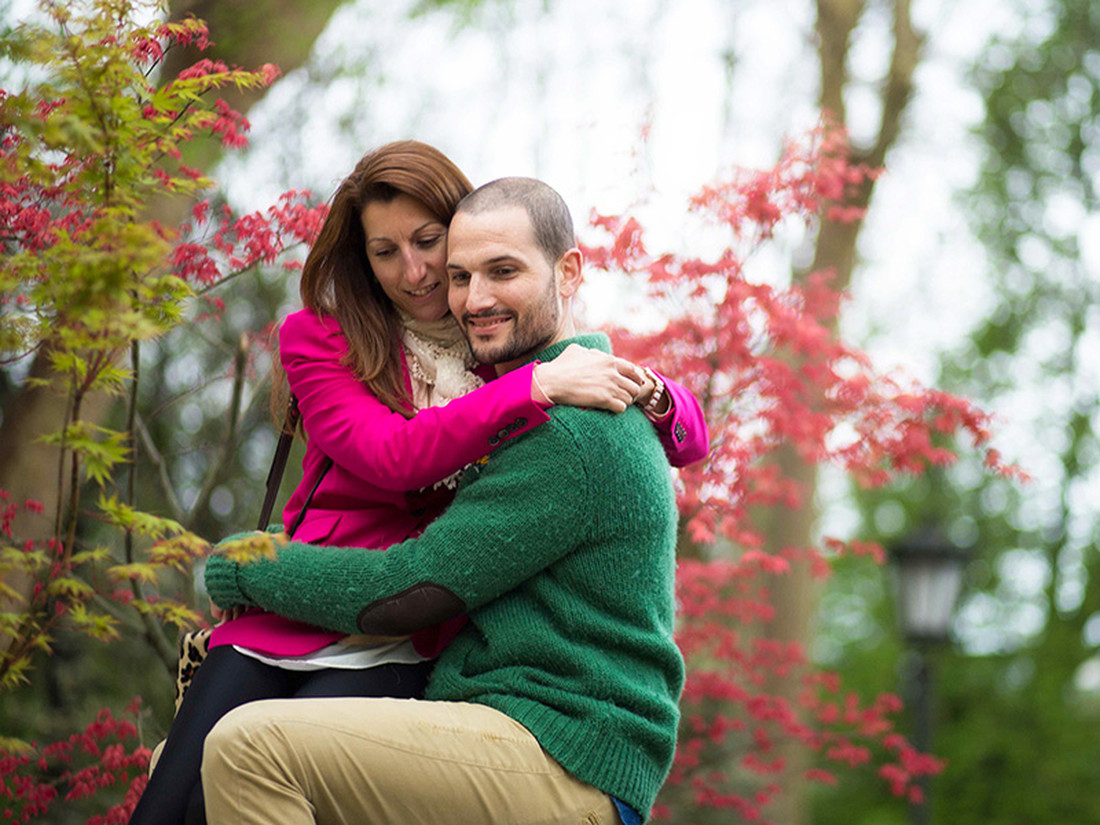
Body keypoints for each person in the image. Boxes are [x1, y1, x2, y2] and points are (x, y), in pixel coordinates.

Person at [130, 144, 706, 825]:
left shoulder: (565, 412)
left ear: (568, 270)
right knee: (180, 780)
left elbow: (415, 582)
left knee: (252, 750)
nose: (461, 291)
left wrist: (655, 394)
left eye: (496, 269)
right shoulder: (384, 350)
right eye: (460, 275)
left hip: (557, 733)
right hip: (352, 630)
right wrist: (541, 382)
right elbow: (389, 452)